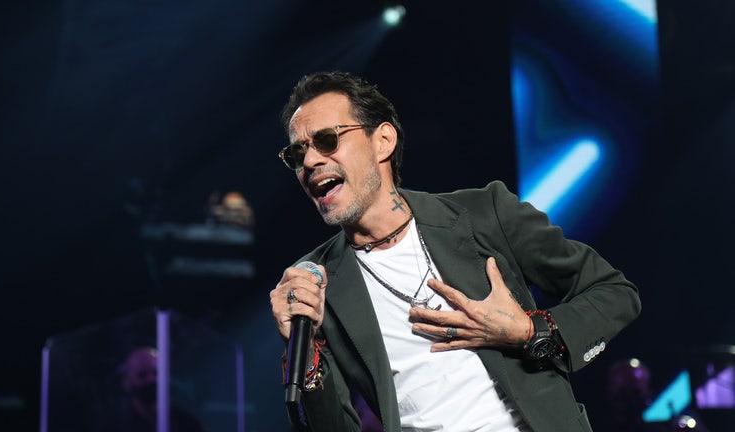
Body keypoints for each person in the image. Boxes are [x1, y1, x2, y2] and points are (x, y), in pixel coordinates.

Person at [269, 71, 641, 431]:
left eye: (327, 140)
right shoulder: (316, 284)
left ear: (382, 140)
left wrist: (528, 330)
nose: (311, 161)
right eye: (297, 154)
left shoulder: (484, 213)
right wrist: (304, 352)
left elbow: (614, 293)